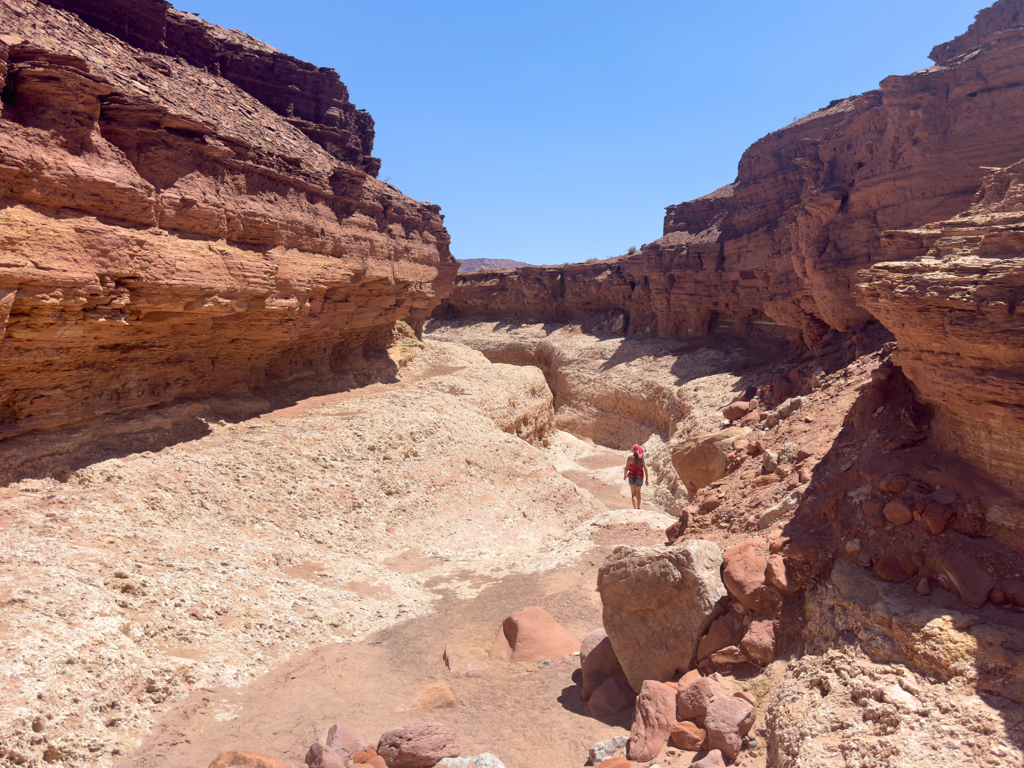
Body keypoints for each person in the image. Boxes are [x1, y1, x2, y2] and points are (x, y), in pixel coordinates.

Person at [624, 444, 648, 509]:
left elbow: (626, 468)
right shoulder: (642, 459)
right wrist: (647, 479)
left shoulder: (630, 458)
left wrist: (625, 475)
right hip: (640, 477)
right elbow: (645, 469)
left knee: (633, 494)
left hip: (632, 476)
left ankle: (635, 509)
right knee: (638, 493)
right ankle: (638, 507)